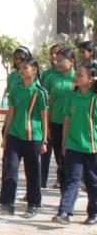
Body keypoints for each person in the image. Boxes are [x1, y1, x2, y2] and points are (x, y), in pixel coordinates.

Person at [0, 57, 49, 218]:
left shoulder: (40, 92)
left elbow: (44, 117)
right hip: (14, 135)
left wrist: (44, 140)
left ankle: (33, 205)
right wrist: (5, 136)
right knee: (10, 168)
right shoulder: (15, 89)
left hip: (33, 137)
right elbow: (10, 114)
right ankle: (7, 203)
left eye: (26, 67)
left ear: (34, 71)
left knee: (33, 172)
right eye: (21, 67)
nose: (22, 69)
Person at [52, 64, 97, 225]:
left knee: (93, 181)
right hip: (73, 146)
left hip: (92, 147)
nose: (76, 77)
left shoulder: (94, 98)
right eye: (76, 74)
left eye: (81, 75)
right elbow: (67, 121)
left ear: (91, 79)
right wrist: (64, 144)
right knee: (72, 179)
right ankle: (64, 212)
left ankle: (93, 212)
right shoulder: (72, 97)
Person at [43, 46, 76, 189]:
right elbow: (47, 104)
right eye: (58, 60)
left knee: (72, 159)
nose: (58, 63)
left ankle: (70, 188)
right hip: (56, 123)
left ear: (72, 61)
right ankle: (65, 189)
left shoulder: (79, 78)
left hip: (75, 126)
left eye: (62, 61)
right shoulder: (52, 78)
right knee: (60, 158)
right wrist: (48, 125)